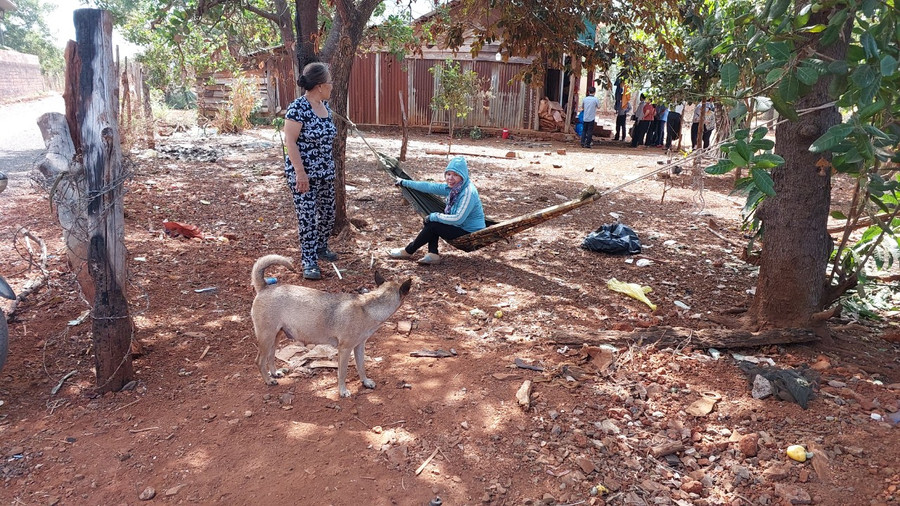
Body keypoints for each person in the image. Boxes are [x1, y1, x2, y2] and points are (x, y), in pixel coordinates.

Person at [283, 62, 338, 280]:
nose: (332, 86)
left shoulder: (326, 108)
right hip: (303, 174)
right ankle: (309, 261)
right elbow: (291, 142)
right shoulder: (297, 108)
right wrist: (300, 173)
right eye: (330, 83)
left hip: (325, 172)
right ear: (320, 85)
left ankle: (321, 247)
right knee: (307, 217)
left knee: (328, 214)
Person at [388, 157, 486, 265]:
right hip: (460, 226)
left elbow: (458, 219)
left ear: (463, 176)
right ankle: (432, 254)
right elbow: (429, 186)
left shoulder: (468, 192)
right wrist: (404, 182)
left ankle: (408, 251)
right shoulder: (453, 189)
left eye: (455, 175)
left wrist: (434, 216)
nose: (450, 178)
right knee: (432, 221)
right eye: (448, 174)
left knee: (433, 222)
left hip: (470, 233)